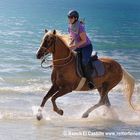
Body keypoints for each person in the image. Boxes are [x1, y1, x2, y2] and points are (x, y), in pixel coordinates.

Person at [67, 10, 94, 89]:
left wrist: (74, 46)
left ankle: (90, 81)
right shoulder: (70, 26)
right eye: (68, 17)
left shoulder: (81, 27)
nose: (69, 19)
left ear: (75, 18)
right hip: (78, 47)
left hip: (86, 47)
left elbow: (84, 40)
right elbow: (72, 37)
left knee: (84, 61)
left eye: (71, 17)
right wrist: (70, 43)